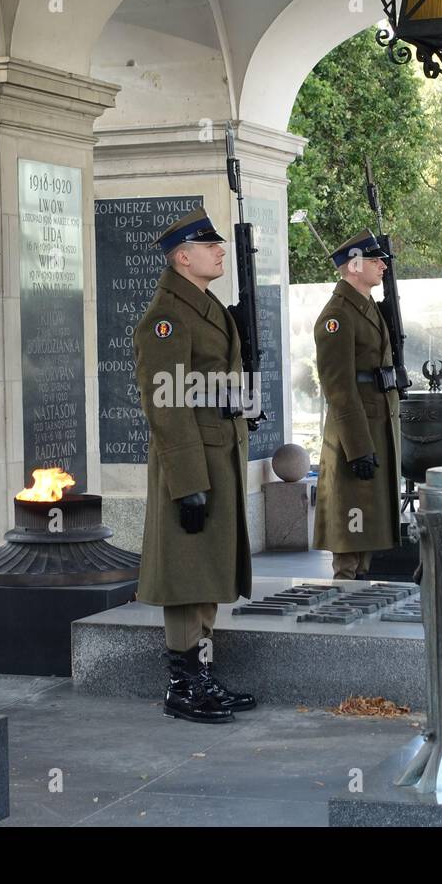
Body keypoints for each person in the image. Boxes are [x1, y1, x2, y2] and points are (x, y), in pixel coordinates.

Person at [132, 207, 256, 724]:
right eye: (210, 247)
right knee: (188, 575)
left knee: (206, 570)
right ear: (183, 257)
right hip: (192, 462)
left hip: (218, 452)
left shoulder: (205, 305)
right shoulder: (167, 315)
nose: (220, 251)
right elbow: (164, 403)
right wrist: (186, 484)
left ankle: (202, 674)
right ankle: (183, 686)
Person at [311, 230, 402, 581]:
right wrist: (358, 447)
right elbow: (339, 388)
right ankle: (344, 595)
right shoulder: (337, 315)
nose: (382, 264)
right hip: (355, 431)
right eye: (375, 259)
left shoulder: (367, 308)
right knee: (352, 526)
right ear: (353, 266)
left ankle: (359, 588)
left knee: (367, 521)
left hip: (375, 423)